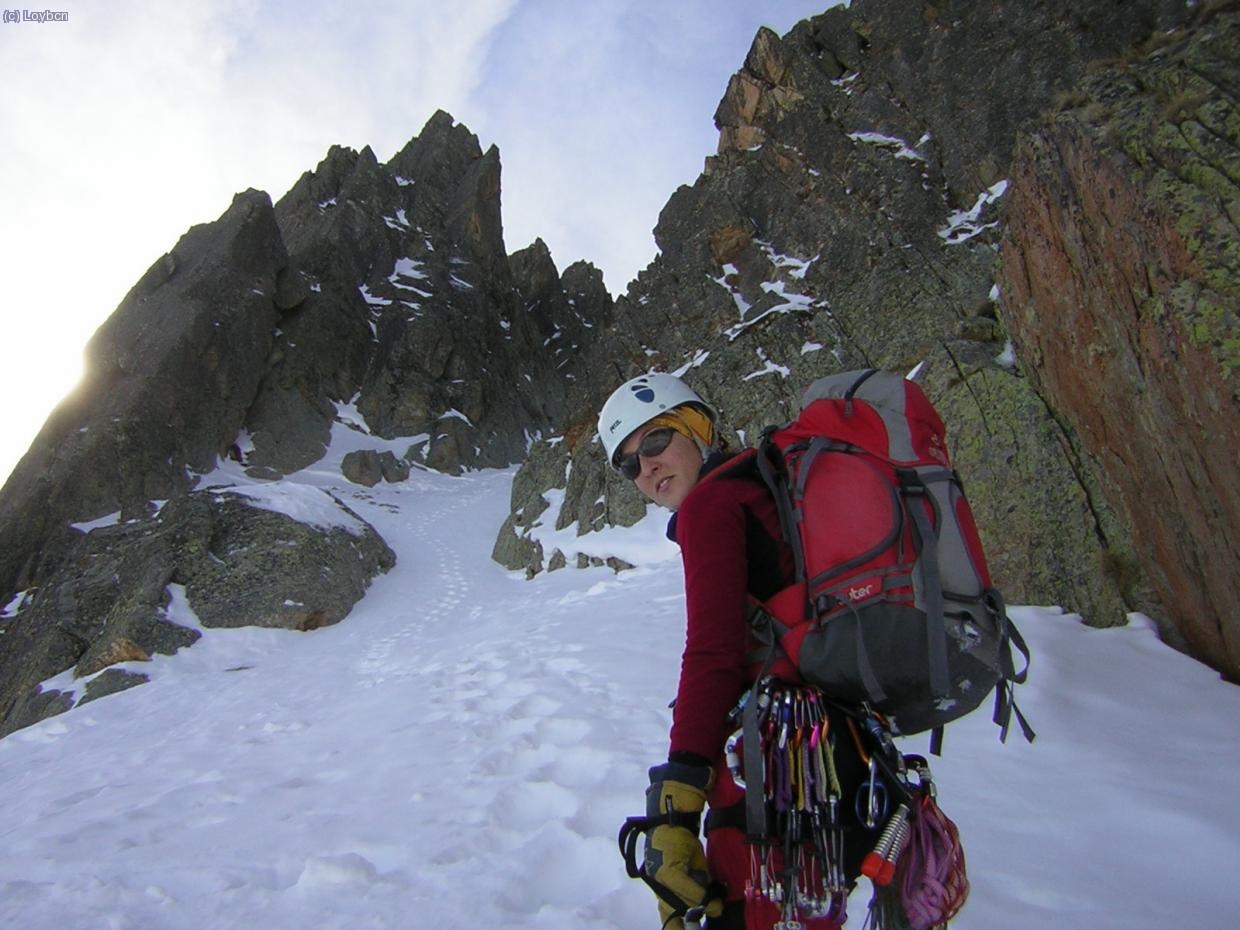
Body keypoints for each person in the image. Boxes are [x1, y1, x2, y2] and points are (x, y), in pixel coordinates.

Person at [601, 373, 884, 930]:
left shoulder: (712, 503)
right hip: (840, 751)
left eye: (655, 442)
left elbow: (713, 652)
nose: (647, 467)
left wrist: (677, 800)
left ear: (697, 426)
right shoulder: (759, 484)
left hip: (778, 768)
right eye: (628, 464)